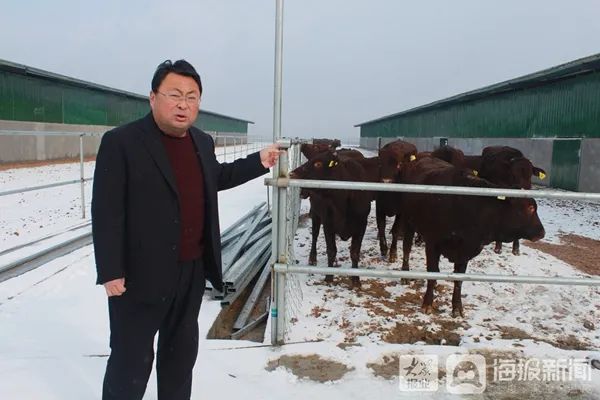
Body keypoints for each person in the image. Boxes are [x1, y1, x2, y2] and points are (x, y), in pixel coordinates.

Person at [92, 59, 281, 400]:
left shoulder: (201, 141)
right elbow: (106, 210)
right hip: (138, 276)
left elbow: (216, 177)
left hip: (190, 271)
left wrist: (259, 161)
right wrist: (110, 270)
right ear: (153, 97)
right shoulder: (122, 142)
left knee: (180, 358)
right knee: (130, 361)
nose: (183, 104)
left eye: (192, 97)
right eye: (175, 95)